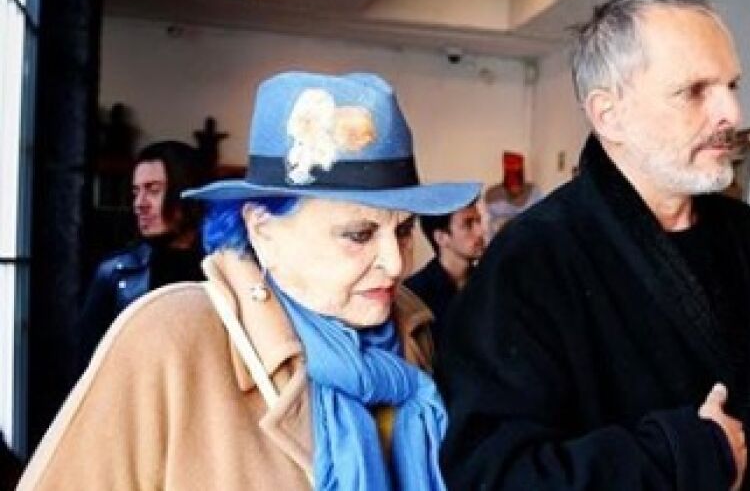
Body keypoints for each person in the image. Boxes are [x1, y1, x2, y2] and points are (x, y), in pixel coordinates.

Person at [19, 72, 479, 490]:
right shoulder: (169, 339)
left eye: (403, 230)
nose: (395, 264)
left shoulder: (412, 326)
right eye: (358, 235)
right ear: (263, 230)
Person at [437, 0, 750, 490]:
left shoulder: (748, 235)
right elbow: (494, 476)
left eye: (731, 85)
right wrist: (680, 455)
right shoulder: (532, 258)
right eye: (694, 91)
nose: (731, 113)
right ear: (609, 114)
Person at [77, 140, 204, 368]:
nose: (139, 203)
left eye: (153, 190)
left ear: (186, 192)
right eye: (136, 192)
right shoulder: (117, 271)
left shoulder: (225, 267)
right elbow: (88, 366)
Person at [405, 198, 486, 346]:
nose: (480, 231)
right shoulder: (413, 294)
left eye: (478, 221)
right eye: (468, 224)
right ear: (441, 238)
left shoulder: (489, 281)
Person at [482, 151, 541, 236]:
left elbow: (539, 219)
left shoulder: (534, 192)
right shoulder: (493, 195)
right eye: (512, 184)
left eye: (517, 184)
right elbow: (487, 223)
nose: (515, 188)